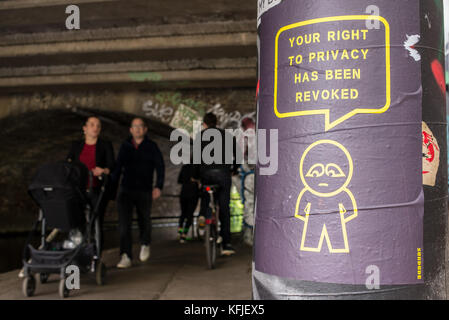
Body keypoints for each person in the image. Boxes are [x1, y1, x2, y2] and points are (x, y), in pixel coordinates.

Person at [113, 117, 165, 268]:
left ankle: (145, 243)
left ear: (145, 129)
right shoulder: (125, 146)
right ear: (130, 130)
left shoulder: (152, 146)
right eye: (134, 126)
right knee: (124, 224)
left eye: (140, 126)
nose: (137, 129)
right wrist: (111, 186)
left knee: (144, 219)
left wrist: (158, 186)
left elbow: (160, 167)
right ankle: (125, 255)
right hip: (126, 189)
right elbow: (118, 168)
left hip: (144, 189)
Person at [66, 116, 115, 254]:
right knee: (77, 221)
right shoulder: (76, 145)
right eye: (92, 125)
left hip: (97, 188)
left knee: (96, 221)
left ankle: (96, 255)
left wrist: (104, 170)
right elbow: (68, 163)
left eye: (98, 126)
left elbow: (112, 164)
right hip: (79, 190)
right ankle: (77, 252)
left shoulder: (105, 145)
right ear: (85, 128)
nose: (95, 128)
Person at [195, 112, 239, 256]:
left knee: (206, 195)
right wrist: (234, 169)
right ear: (217, 122)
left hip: (206, 173)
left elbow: (195, 159)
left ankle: (203, 214)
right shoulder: (227, 135)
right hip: (223, 173)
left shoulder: (200, 137)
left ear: (204, 124)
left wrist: (197, 177)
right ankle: (226, 244)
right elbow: (237, 155)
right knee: (224, 208)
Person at [177, 163, 199, 243]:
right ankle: (184, 235)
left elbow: (179, 180)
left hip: (183, 193)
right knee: (190, 215)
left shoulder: (184, 167)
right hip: (193, 193)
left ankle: (180, 233)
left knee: (183, 213)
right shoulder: (198, 167)